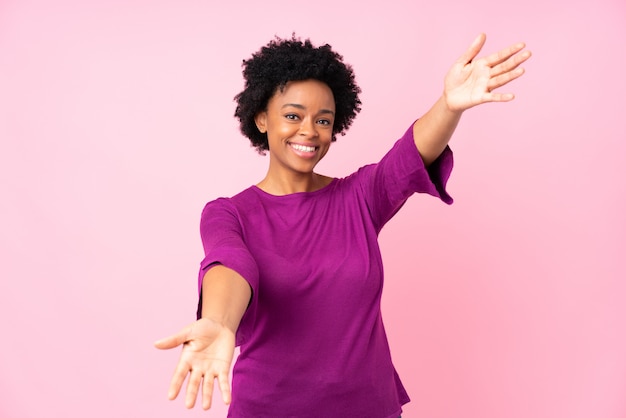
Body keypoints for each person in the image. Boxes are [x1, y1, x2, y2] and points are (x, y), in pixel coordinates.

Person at [155, 33, 531, 417]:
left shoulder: (360, 197)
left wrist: (449, 107)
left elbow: (408, 156)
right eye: (292, 115)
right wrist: (219, 322)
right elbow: (231, 264)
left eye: (323, 120)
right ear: (261, 118)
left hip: (369, 408)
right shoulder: (230, 212)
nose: (309, 131)